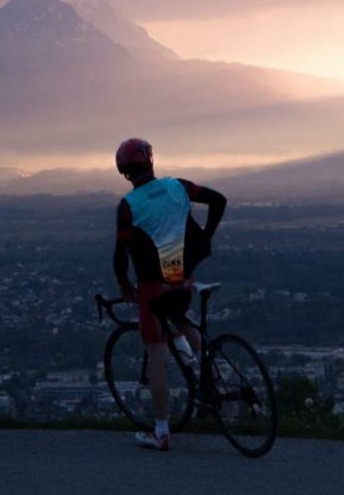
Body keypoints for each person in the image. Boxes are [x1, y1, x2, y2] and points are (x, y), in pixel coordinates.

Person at [111, 137, 226, 451]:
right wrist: (206, 235)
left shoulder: (128, 206)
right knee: (181, 320)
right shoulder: (178, 186)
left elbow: (120, 255)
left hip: (151, 289)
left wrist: (123, 285)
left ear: (124, 172)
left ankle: (161, 432)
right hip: (182, 279)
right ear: (150, 161)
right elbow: (219, 200)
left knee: (157, 360)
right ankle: (209, 380)